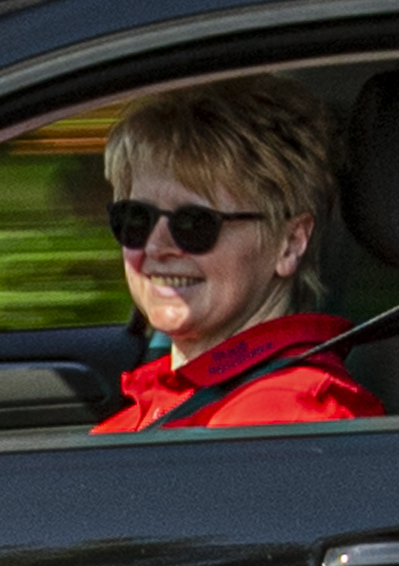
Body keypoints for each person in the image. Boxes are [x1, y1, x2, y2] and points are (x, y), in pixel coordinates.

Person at [92, 77, 383, 434]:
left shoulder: (289, 417)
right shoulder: (170, 401)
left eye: (195, 224)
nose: (155, 246)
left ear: (290, 243)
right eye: (136, 219)